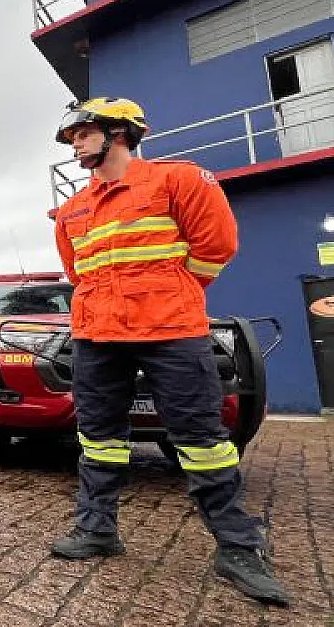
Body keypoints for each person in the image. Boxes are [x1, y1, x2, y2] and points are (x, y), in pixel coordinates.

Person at [49, 97, 289, 606]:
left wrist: (169, 295)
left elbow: (216, 246)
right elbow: (78, 273)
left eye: (82, 134)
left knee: (201, 437)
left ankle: (238, 547)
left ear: (118, 133)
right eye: (72, 139)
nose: (75, 144)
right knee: (98, 437)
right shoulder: (70, 210)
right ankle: (97, 530)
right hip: (96, 335)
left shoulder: (177, 181)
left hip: (170, 331)